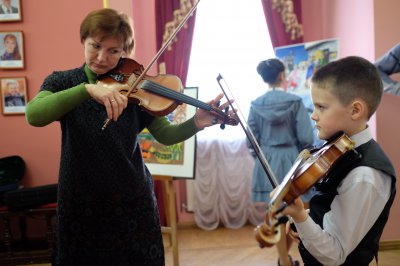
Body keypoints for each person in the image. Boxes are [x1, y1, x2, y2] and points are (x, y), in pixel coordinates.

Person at [25, 8, 234, 265]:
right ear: (84, 41)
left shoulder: (134, 87)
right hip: (80, 199)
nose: (101, 57)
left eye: (114, 51)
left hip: (132, 199)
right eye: (95, 46)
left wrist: (197, 122)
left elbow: (166, 135)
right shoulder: (63, 81)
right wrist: (87, 89)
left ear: (125, 52)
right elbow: (34, 115)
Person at [276, 56, 396, 265]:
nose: (313, 116)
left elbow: (335, 255)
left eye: (321, 107)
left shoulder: (364, 176)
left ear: (355, 110)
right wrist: (306, 220)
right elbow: (332, 208)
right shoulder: (340, 150)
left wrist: (301, 218)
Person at [247, 58, 314, 266]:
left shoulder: (255, 103)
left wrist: (260, 156)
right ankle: (285, 259)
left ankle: (283, 260)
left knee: (275, 213)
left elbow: (251, 140)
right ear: (283, 76)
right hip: (291, 159)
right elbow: (306, 138)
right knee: (293, 212)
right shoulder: (294, 101)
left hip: (267, 159)